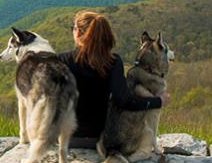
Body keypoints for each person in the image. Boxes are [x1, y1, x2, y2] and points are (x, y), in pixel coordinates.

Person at [56, 10, 171, 148]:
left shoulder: (61, 60)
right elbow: (125, 101)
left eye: (73, 28)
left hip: (66, 139)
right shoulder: (113, 62)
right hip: (99, 139)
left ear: (79, 32)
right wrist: (158, 101)